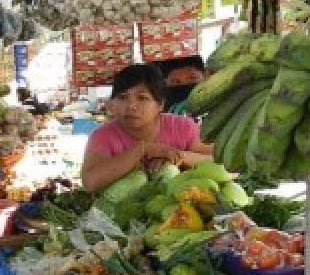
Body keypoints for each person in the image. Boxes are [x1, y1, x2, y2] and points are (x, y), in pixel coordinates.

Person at [81, 63, 214, 193]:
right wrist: (142, 149)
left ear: (160, 105)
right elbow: (90, 182)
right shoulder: (103, 136)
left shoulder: (184, 127)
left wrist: (175, 157)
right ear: (112, 104)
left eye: (142, 98)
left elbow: (218, 161)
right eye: (122, 97)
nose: (131, 105)